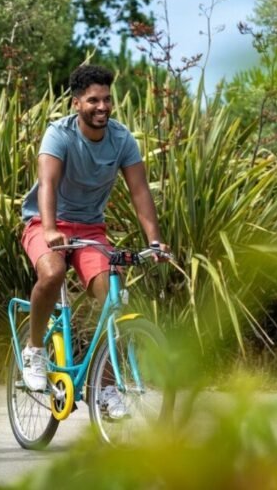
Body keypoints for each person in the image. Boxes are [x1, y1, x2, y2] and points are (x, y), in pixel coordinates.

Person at [20, 63, 169, 417]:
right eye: (92, 100)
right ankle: (35, 349)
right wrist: (52, 229)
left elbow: (140, 191)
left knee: (111, 298)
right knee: (53, 274)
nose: (102, 107)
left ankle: (105, 386)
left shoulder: (122, 140)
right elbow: (49, 184)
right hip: (45, 222)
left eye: (106, 99)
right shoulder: (59, 134)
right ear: (76, 103)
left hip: (90, 231)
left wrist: (155, 241)